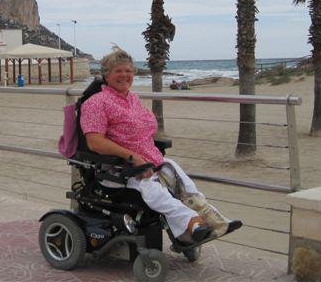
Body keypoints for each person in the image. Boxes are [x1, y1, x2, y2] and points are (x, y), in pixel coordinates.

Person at [80, 48, 242, 244]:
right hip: (119, 168)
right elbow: (94, 142)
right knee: (153, 191)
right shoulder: (96, 103)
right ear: (106, 75)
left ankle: (212, 221)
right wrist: (132, 157)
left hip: (149, 160)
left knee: (184, 183)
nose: (124, 75)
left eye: (128, 71)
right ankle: (193, 225)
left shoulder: (133, 99)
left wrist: (146, 156)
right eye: (118, 71)